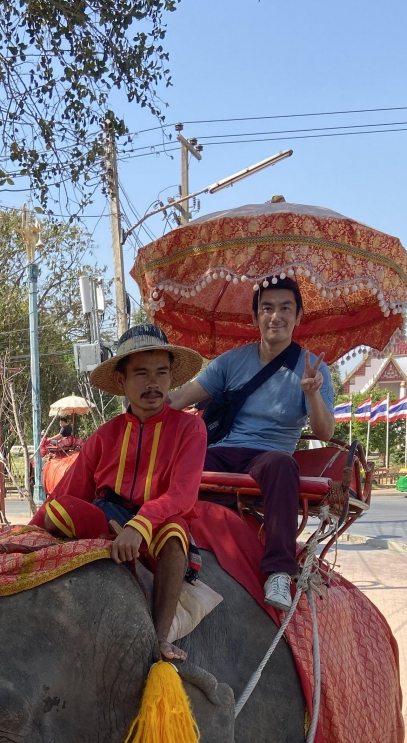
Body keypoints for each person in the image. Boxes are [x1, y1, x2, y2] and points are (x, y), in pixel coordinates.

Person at [34, 324, 205, 662]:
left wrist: (140, 524)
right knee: (58, 511)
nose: (152, 383)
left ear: (172, 378)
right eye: (140, 373)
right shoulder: (104, 435)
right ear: (122, 382)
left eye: (160, 373)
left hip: (157, 525)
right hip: (106, 519)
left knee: (175, 533)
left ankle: (159, 638)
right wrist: (28, 531)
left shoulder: (190, 428)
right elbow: (69, 493)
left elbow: (183, 495)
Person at [168, 277, 334, 612]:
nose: (276, 316)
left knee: (282, 464)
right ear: (256, 316)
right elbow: (185, 396)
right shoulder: (231, 362)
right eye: (267, 308)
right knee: (175, 462)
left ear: (298, 316)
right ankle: (159, 538)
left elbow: (326, 432)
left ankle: (278, 571)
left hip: (269, 459)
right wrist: (146, 407)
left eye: (285, 308)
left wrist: (312, 394)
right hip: (223, 451)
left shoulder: (314, 369)